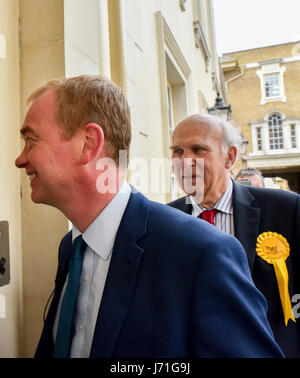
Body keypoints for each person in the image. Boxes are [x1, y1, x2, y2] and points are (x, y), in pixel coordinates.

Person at [15, 76, 283, 358]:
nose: (20, 159)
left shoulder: (202, 253)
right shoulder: (70, 247)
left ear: (89, 143)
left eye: (31, 141)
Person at [168, 113, 300, 357]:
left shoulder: (287, 209)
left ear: (230, 157)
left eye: (198, 149)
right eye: (177, 152)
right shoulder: (163, 221)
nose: (185, 161)